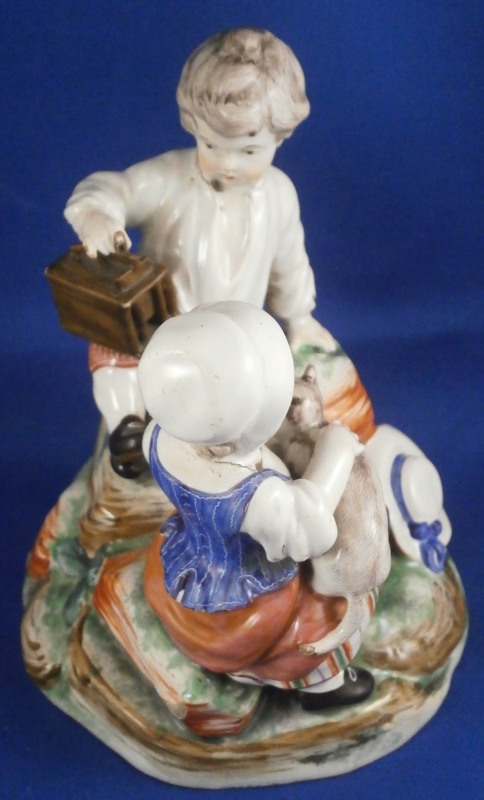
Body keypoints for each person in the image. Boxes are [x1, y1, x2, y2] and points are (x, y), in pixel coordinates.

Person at [63, 28, 336, 476]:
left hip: (238, 344)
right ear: (193, 126)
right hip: (163, 337)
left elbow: (289, 262)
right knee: (113, 348)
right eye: (211, 145)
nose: (227, 164)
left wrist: (299, 317)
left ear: (281, 138)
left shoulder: (280, 196)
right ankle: (128, 428)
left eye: (248, 150)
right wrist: (98, 215)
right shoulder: (170, 180)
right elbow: (114, 189)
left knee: (255, 396)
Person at [139, 301, 385, 708]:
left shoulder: (159, 437)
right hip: (244, 603)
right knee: (324, 612)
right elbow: (310, 529)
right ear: (227, 441)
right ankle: (321, 686)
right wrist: (336, 450)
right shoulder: (257, 494)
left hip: (189, 559)